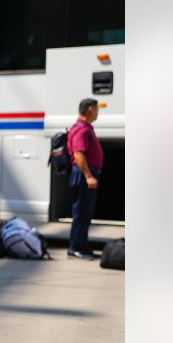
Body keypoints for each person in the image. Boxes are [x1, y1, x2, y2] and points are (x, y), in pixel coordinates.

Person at [66, 98, 104, 259]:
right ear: (89, 109)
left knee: (86, 213)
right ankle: (75, 247)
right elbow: (79, 155)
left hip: (86, 174)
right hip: (83, 175)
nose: (97, 112)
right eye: (96, 109)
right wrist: (89, 176)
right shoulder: (82, 129)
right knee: (80, 212)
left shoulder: (87, 128)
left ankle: (82, 245)